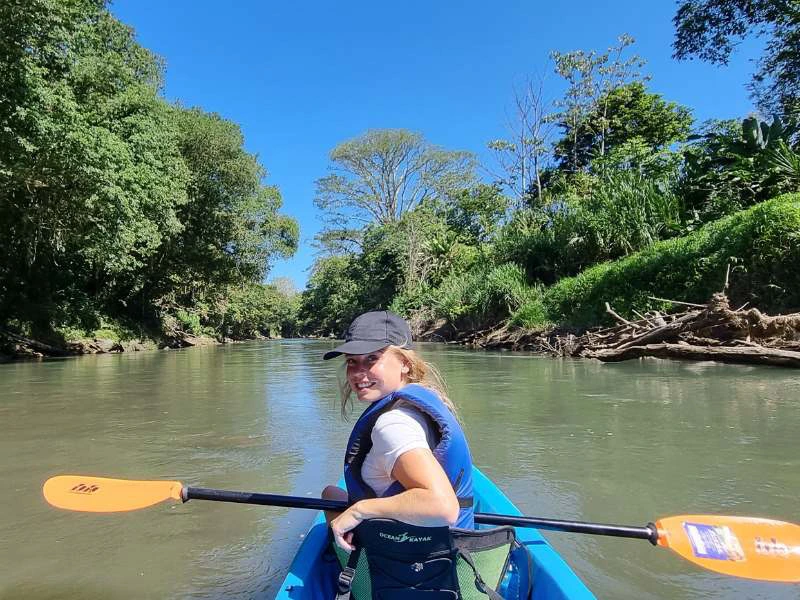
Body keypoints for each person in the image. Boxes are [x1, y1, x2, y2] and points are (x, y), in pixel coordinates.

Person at [321, 310, 474, 552]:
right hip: (452, 552)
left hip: (405, 567)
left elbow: (443, 506)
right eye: (352, 361)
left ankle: (351, 565)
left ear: (404, 363)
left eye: (372, 358)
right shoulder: (427, 398)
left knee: (331, 496)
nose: (358, 373)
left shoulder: (393, 425)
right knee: (331, 494)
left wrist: (360, 511)